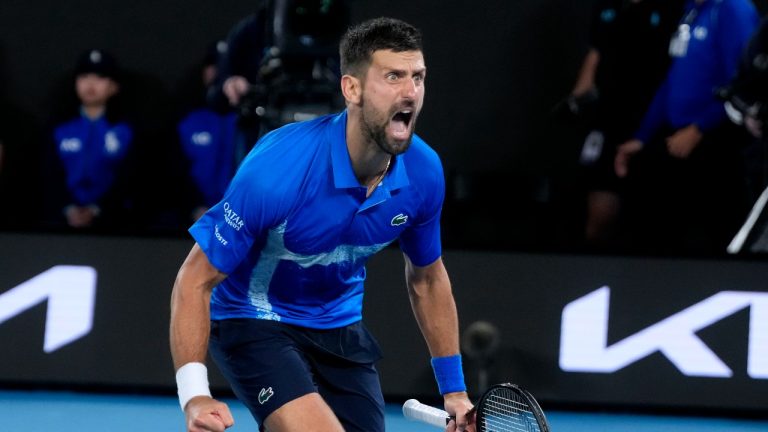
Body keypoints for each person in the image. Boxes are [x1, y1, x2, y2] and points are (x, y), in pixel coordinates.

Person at [170, 17, 475, 432]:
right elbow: (194, 279)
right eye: (393, 77)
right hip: (254, 318)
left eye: (418, 78)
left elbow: (427, 279)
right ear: (352, 89)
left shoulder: (423, 173)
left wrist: (454, 391)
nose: (411, 92)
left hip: (338, 326)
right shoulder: (278, 169)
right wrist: (195, 395)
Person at [613, 0, 760, 255]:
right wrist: (643, 136)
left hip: (719, 143)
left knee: (718, 236)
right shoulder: (691, 11)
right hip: (679, 138)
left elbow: (744, 84)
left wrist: (700, 128)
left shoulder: (732, 8)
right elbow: (673, 79)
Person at [566, 0, 684, 251]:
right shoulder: (606, 6)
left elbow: (679, 67)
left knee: (650, 219)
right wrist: (576, 99)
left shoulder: (674, 8)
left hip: (653, 124)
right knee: (598, 216)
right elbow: (595, 54)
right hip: (608, 123)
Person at [208, 0, 349, 164]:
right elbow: (216, 97)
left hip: (323, 145)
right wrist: (230, 84)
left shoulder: (336, 25)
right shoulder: (250, 31)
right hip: (261, 141)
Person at [43, 49, 136, 231]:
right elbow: (48, 175)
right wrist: (68, 208)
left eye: (100, 77)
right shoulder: (59, 127)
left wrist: (97, 209)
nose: (90, 84)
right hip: (58, 225)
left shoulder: (127, 130)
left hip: (113, 226)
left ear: (114, 86)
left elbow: (130, 178)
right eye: (84, 76)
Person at [176, 41, 238, 222]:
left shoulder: (255, 121)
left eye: (226, 65)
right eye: (212, 65)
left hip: (242, 221)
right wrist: (194, 206)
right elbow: (176, 170)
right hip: (191, 221)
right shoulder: (186, 119)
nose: (218, 71)